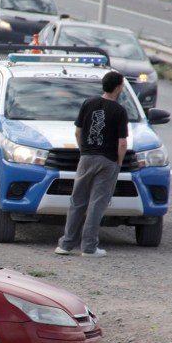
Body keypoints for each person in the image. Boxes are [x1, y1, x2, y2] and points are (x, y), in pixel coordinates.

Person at [55, 71, 129, 258]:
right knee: (97, 204)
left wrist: (84, 151)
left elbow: (78, 132)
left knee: (77, 201)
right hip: (107, 161)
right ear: (119, 87)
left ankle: (66, 244)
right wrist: (118, 163)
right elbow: (122, 143)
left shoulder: (88, 103)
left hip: (86, 157)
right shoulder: (119, 111)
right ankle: (89, 247)